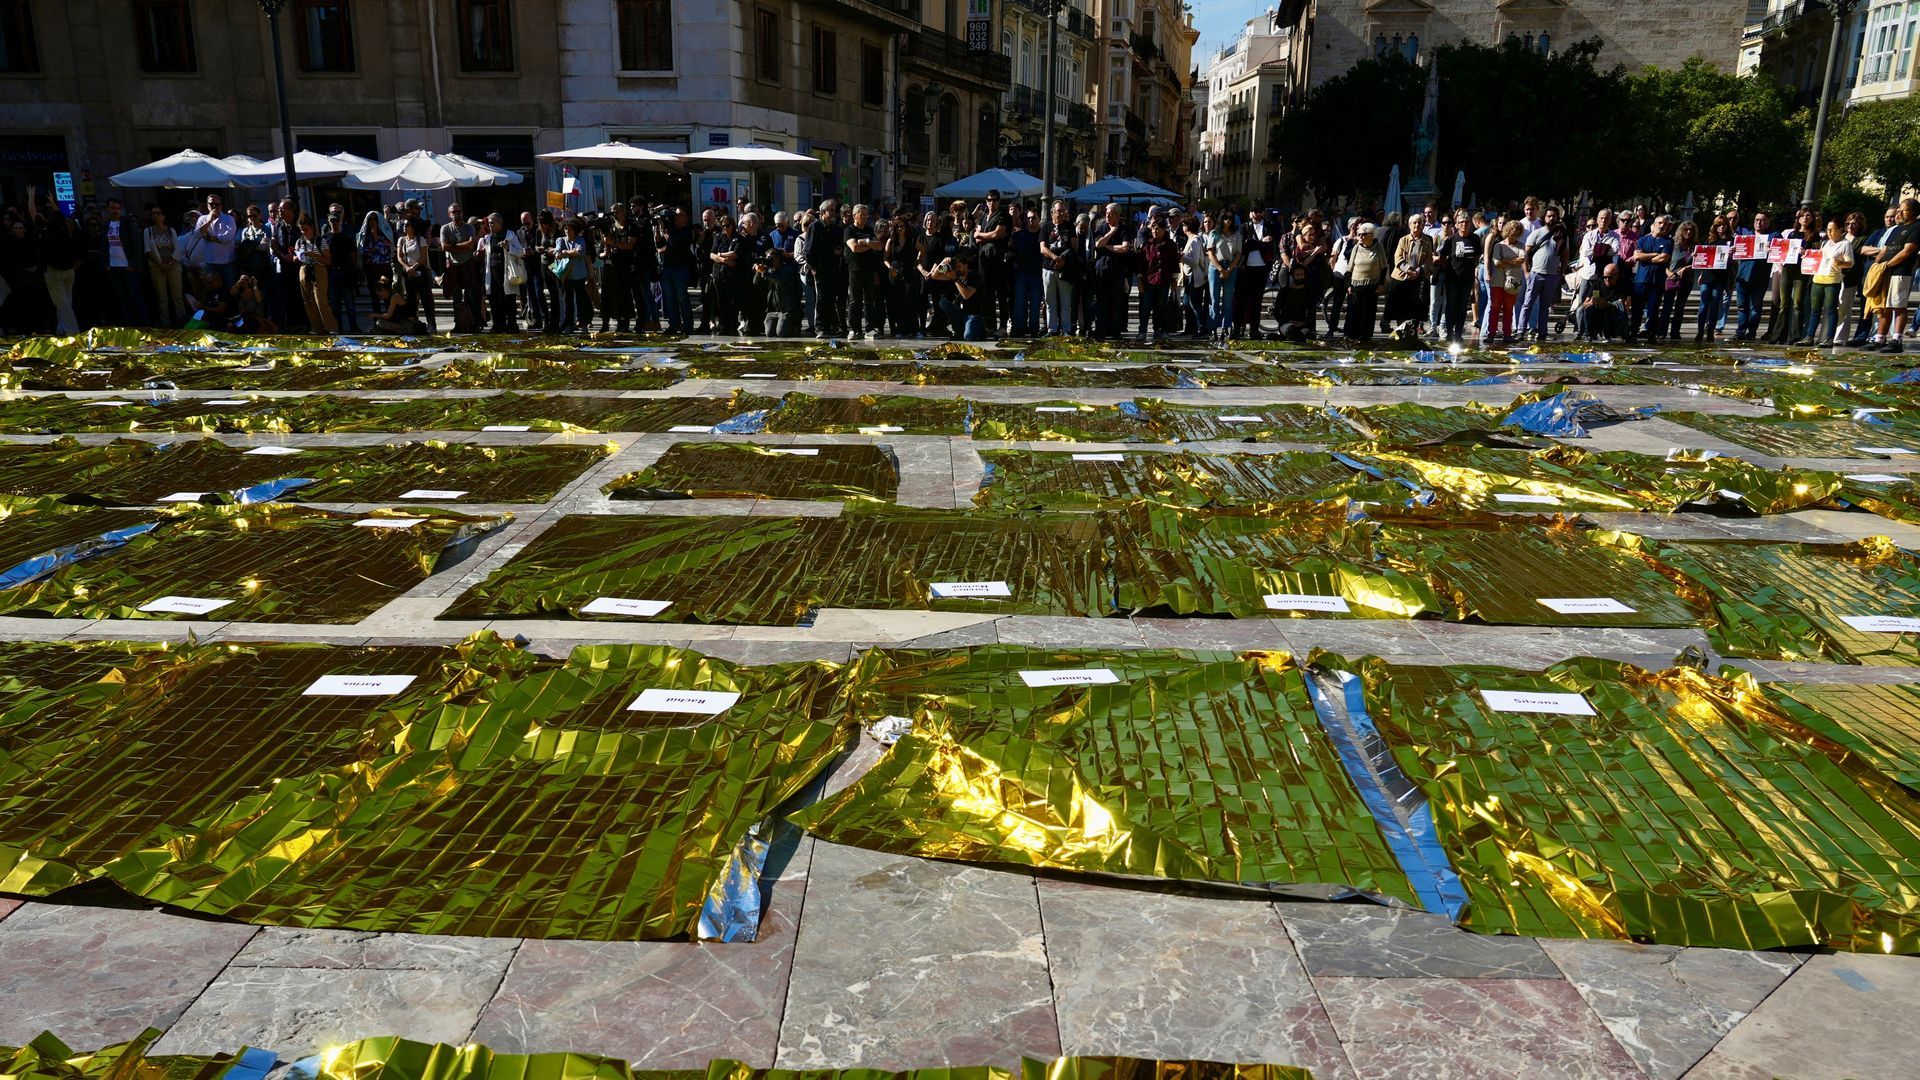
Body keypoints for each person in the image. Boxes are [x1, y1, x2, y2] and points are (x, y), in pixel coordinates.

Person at [25, 186, 79, 333]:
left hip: (53, 271)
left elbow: (32, 212)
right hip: (68, 270)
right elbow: (57, 213)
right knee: (67, 301)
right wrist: (52, 201)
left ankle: (73, 332)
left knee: (63, 304)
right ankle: (61, 328)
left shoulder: (43, 230)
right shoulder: (62, 228)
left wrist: (31, 196)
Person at [1871, 197, 1920, 352]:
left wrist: (1888, 264)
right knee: (1884, 306)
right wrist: (1876, 264)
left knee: (1898, 306)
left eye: (1903, 210)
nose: (1899, 213)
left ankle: (1896, 340)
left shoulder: (1917, 227)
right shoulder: (1897, 229)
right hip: (1885, 271)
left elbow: (1907, 251)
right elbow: (1885, 249)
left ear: (1912, 211)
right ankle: (1879, 339)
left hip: (1901, 272)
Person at [1768, 206, 1817, 344]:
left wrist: (1806, 252)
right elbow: (1782, 250)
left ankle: (1794, 336)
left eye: (1808, 216)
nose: (1805, 218)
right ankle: (1777, 336)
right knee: (1783, 304)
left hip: (1802, 272)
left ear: (1812, 218)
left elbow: (1817, 253)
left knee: (1797, 303)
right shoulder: (1792, 234)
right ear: (1798, 218)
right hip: (1787, 270)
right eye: (1802, 216)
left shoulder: (1814, 235)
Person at [1804, 216, 1852, 346]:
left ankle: (1830, 338)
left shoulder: (1845, 244)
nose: (1830, 232)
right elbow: (1819, 258)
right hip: (1818, 278)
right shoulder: (1825, 243)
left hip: (1832, 280)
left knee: (1830, 309)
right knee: (1815, 309)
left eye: (1833, 229)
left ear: (1840, 229)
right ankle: (1809, 336)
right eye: (1828, 229)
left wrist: (1841, 263)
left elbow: (1850, 263)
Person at [1521, 207, 1566, 342]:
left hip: (1552, 275)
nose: (1551, 218)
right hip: (1536, 273)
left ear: (1557, 218)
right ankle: (1521, 330)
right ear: (1544, 218)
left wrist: (1561, 273)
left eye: (1554, 216)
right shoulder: (1537, 233)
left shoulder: (1561, 235)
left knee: (1545, 306)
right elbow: (1526, 254)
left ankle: (1542, 332)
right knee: (1528, 303)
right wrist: (1527, 272)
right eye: (1549, 216)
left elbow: (1565, 255)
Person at [1090, 202, 1135, 340]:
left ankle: (1115, 330)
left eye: (1110, 214)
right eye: (1106, 213)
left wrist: (1107, 246)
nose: (1107, 216)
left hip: (1118, 270)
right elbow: (1097, 244)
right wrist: (1112, 231)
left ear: (1117, 215)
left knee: (1117, 301)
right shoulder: (1102, 227)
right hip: (1102, 269)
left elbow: (1124, 248)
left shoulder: (1125, 229)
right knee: (1101, 300)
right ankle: (1100, 329)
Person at [804, 199, 847, 339]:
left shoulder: (836, 229)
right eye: (831, 210)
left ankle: (831, 325)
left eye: (835, 210)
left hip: (834, 269)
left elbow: (841, 245)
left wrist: (839, 251)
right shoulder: (815, 227)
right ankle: (820, 327)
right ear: (823, 212)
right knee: (821, 298)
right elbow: (808, 251)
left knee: (831, 298)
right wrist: (814, 268)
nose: (834, 213)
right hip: (820, 269)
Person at [1385, 212, 1432, 339]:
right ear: (1410, 225)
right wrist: (1409, 270)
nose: (1417, 225)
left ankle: (1412, 332)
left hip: (1418, 278)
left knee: (1415, 308)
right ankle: (1401, 332)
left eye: (1419, 222)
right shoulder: (1403, 240)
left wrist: (1418, 271)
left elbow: (1429, 259)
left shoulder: (1427, 241)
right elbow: (1398, 258)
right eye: (1414, 222)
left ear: (1423, 225)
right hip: (1401, 277)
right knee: (1400, 308)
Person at [476, 212, 524, 333]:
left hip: (506, 273)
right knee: (494, 300)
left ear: (499, 223)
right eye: (489, 223)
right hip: (492, 273)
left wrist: (509, 248)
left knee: (509, 299)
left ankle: (512, 325)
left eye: (492, 223)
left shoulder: (510, 235)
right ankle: (498, 325)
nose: (490, 225)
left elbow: (520, 252)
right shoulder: (488, 238)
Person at [1436, 212, 1481, 344]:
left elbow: (1477, 256)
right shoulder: (1451, 239)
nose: (1464, 224)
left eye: (1466, 222)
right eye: (1461, 222)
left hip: (1467, 278)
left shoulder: (1475, 238)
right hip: (1452, 278)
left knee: (1462, 307)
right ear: (1456, 225)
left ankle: (1458, 333)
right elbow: (1442, 256)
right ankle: (1449, 332)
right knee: (1450, 306)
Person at [101, 199, 147, 325]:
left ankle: (142, 323)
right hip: (114, 266)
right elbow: (104, 245)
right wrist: (106, 264)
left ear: (120, 210)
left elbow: (136, 244)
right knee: (122, 297)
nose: (115, 211)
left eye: (117, 208)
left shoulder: (127, 224)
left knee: (135, 295)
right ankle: (129, 323)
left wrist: (133, 264)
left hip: (127, 266)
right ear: (108, 209)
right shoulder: (106, 225)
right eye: (112, 208)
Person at [1040, 200, 1081, 336]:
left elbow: (1074, 247)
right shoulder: (1046, 227)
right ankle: (1052, 329)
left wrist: (1063, 259)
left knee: (1066, 302)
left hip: (1065, 269)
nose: (1062, 213)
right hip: (1049, 268)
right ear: (1053, 212)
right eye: (1059, 211)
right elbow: (1043, 248)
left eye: (1064, 211)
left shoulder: (1070, 227)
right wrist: (1055, 258)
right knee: (1050, 301)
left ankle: (1066, 329)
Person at [1630, 214, 1674, 342]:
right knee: (1637, 308)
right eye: (1660, 223)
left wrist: (1647, 256)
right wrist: (1654, 254)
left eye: (1665, 224)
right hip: (1641, 280)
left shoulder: (1668, 241)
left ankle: (1651, 334)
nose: (1662, 226)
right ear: (1653, 225)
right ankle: (1633, 332)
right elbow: (1637, 256)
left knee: (1653, 309)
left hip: (1657, 281)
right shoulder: (1643, 239)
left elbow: (1664, 258)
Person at [973, 189, 1012, 333]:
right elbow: (976, 237)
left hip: (998, 258)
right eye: (989, 200)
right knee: (986, 293)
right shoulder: (983, 217)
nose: (991, 202)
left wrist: (982, 235)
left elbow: (998, 233)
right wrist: (983, 235)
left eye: (994, 200)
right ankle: (990, 325)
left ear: (999, 201)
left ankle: (1002, 326)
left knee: (1001, 293)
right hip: (983, 259)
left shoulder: (1003, 215)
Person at [1137, 218, 1181, 344]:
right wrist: (1140, 280)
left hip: (1164, 281)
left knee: (1160, 307)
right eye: (1153, 229)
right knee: (1145, 306)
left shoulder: (1171, 245)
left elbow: (1174, 264)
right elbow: (1141, 264)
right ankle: (1142, 331)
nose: (1155, 231)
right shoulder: (1147, 245)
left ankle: (1159, 330)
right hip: (1148, 281)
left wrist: (1174, 280)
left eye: (1158, 229)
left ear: (1164, 230)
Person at [845, 204, 885, 338]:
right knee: (854, 301)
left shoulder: (869, 230)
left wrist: (865, 241)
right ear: (854, 215)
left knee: (869, 300)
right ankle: (854, 329)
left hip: (869, 269)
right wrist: (869, 245)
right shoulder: (849, 230)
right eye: (861, 214)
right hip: (855, 269)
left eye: (866, 215)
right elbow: (854, 248)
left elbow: (879, 246)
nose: (864, 217)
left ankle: (869, 329)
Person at [293, 212, 337, 333]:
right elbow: (294, 258)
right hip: (304, 269)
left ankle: (331, 327)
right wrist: (298, 256)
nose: (303, 232)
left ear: (311, 228)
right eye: (301, 230)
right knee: (308, 300)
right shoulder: (299, 242)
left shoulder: (320, 241)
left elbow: (328, 260)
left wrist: (314, 256)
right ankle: (316, 328)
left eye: (306, 229)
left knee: (321, 300)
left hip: (318, 269)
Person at [1733, 210, 1773, 341]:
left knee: (1755, 307)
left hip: (1760, 277)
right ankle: (1740, 331)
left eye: (1762, 220)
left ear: (1768, 221)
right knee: (1742, 306)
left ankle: (1751, 332)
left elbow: (1780, 252)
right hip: (1742, 276)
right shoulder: (1746, 235)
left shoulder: (1773, 236)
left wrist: (1771, 249)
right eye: (1756, 220)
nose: (1759, 223)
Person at [439, 202, 480, 332]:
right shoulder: (445, 228)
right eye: (454, 212)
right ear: (449, 214)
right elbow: (444, 247)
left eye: (459, 211)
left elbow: (471, 244)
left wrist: (454, 245)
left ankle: (475, 324)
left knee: (471, 296)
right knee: (456, 297)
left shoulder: (469, 228)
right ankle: (459, 324)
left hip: (468, 264)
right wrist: (462, 246)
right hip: (453, 266)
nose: (457, 214)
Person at [930, 248, 986, 340]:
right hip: (961, 313)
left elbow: (966, 295)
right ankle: (959, 331)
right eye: (956, 267)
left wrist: (955, 279)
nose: (957, 269)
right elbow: (934, 276)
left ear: (966, 265)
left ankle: (980, 328)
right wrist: (943, 262)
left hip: (973, 314)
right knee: (943, 302)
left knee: (968, 336)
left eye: (959, 266)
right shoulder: (957, 275)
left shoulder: (975, 277)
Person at [321, 205, 360, 334]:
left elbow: (353, 255)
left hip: (345, 272)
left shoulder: (347, 237)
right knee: (335, 304)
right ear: (329, 222)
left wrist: (351, 270)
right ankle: (338, 328)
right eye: (332, 221)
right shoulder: (325, 238)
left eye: (337, 220)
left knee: (350, 303)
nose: (335, 223)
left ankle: (353, 327)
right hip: (332, 273)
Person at [1343, 221, 1385, 342]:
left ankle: (1365, 336)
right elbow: (1350, 267)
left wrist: (1381, 284)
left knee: (1368, 312)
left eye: (1363, 234)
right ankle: (1351, 335)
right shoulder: (1356, 247)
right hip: (1356, 285)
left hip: (1372, 285)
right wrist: (1348, 285)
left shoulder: (1378, 247)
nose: (1360, 237)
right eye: (1358, 234)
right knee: (1353, 312)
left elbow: (1384, 267)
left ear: (1371, 235)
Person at [885, 208, 923, 338]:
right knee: (898, 301)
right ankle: (900, 329)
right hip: (895, 273)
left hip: (908, 271)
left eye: (902, 226)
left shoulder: (912, 240)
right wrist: (890, 268)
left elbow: (922, 250)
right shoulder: (891, 241)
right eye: (897, 227)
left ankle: (914, 329)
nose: (900, 229)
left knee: (911, 299)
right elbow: (885, 258)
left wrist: (917, 263)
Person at [1695, 218, 1734, 344]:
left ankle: (1710, 331)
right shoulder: (1710, 240)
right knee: (1704, 304)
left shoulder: (1731, 241)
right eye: (1718, 225)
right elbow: (1703, 258)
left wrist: (1732, 255)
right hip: (1708, 275)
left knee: (1715, 303)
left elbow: (1735, 260)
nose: (1721, 228)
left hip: (1721, 276)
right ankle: (1700, 331)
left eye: (1724, 225)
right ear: (1715, 227)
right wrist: (1700, 272)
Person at [1485, 220, 1525, 343]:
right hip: (1497, 281)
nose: (1514, 237)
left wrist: (1505, 262)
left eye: (1517, 235)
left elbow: (1522, 259)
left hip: (1513, 281)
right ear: (1507, 232)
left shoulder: (1521, 245)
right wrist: (1513, 261)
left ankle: (1507, 334)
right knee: (1495, 307)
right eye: (1512, 234)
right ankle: (1491, 333)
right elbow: (1496, 262)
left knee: (1509, 309)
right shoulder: (1499, 245)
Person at [1205, 211, 1241, 344]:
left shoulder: (1237, 234)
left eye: (1230, 218)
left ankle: (1226, 327)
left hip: (1231, 266)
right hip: (1215, 266)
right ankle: (1213, 328)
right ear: (1221, 219)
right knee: (1214, 299)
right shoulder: (1214, 233)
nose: (1228, 221)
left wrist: (1229, 270)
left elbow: (1238, 254)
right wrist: (1220, 269)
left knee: (1228, 299)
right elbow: (1210, 253)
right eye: (1225, 218)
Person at [658, 206, 695, 334]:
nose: (676, 218)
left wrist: (667, 233)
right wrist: (660, 230)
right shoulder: (670, 228)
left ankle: (688, 325)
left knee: (681, 297)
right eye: (675, 215)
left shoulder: (687, 231)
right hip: (668, 267)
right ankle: (674, 324)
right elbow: (659, 244)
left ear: (685, 218)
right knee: (669, 298)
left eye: (679, 215)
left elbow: (675, 243)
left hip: (681, 268)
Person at [395, 216, 436, 333]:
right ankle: (415, 324)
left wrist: (414, 267)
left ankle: (431, 323)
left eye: (407, 225)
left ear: (413, 227)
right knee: (411, 299)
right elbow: (399, 257)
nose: (404, 226)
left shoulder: (420, 239)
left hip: (420, 271)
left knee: (426, 299)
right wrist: (407, 267)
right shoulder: (402, 240)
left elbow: (423, 258)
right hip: (408, 273)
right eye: (404, 224)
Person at [144, 204, 183, 326]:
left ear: (164, 216)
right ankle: (165, 323)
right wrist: (160, 264)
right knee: (162, 297)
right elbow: (148, 250)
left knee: (178, 296)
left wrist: (171, 263)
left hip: (173, 265)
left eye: (158, 213)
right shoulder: (148, 231)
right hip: (157, 266)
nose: (156, 216)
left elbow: (177, 248)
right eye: (153, 214)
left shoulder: (171, 231)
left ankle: (181, 321)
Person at [1835, 211, 1869, 347]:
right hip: (1835, 275)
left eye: (1853, 223)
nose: (1850, 226)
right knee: (1835, 306)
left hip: (1851, 276)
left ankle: (1841, 337)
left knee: (1844, 307)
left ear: (1860, 225)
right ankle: (1830, 335)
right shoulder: (1840, 237)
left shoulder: (1862, 239)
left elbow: (1858, 255)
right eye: (1848, 223)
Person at [553, 217, 592, 333]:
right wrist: (569, 252)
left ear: (575, 230)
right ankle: (569, 325)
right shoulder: (560, 240)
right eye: (565, 229)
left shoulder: (580, 240)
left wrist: (565, 252)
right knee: (568, 300)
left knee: (581, 299)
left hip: (579, 274)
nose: (567, 232)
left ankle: (583, 323)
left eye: (569, 229)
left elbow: (579, 252)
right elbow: (557, 255)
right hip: (566, 275)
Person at [1009, 209, 1043, 337]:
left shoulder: (1043, 234)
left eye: (1033, 218)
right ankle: (1019, 329)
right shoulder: (1019, 235)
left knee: (1035, 305)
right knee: (1020, 304)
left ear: (1039, 219)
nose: (1031, 220)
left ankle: (1034, 330)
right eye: (1028, 218)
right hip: (1022, 274)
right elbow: (1012, 250)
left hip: (1037, 274)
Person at [1578, 260, 1630, 341]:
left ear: (1617, 275)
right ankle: (1589, 334)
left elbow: (1625, 306)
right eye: (1605, 277)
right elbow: (1584, 303)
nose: (1607, 280)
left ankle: (1611, 334)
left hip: (1613, 313)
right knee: (1588, 309)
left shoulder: (1622, 286)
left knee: (1607, 310)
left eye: (1610, 277)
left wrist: (1607, 304)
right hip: (1598, 311)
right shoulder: (1597, 284)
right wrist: (1591, 302)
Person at [194, 193, 236, 287]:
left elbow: (228, 238)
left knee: (230, 287)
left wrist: (209, 237)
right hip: (210, 261)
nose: (214, 206)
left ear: (221, 206)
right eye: (211, 204)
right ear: (207, 205)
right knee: (213, 289)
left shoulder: (229, 219)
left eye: (217, 204)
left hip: (227, 261)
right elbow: (197, 234)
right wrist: (210, 221)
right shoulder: (202, 219)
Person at [357, 210, 392, 319]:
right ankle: (377, 320)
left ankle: (389, 318)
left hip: (384, 268)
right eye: (370, 219)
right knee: (374, 296)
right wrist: (376, 246)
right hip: (371, 269)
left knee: (386, 294)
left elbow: (384, 250)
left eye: (374, 219)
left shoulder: (385, 234)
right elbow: (364, 251)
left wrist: (376, 237)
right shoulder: (365, 237)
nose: (372, 222)